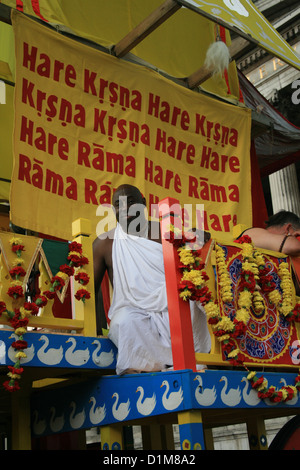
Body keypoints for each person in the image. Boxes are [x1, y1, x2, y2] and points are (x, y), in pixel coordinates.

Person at [93, 184, 211, 374]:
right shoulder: (104, 243)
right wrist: (96, 331)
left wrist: (199, 235)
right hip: (135, 313)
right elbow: (92, 291)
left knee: (193, 303)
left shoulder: (165, 231)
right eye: (118, 204)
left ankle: (190, 361)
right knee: (122, 321)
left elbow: (200, 239)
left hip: (172, 305)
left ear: (143, 204)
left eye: (131, 202)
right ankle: (147, 368)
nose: (125, 209)